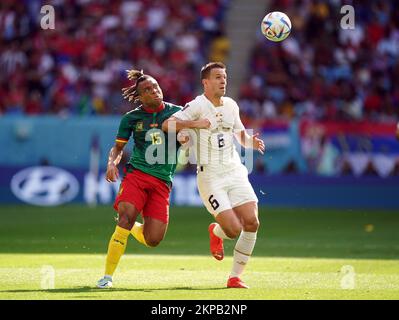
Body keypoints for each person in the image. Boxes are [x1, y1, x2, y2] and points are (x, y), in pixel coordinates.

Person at [97, 69, 209, 288]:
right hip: (137, 175)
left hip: (162, 182)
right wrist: (112, 163)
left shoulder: (178, 113)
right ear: (140, 97)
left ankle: (128, 226)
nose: (154, 91)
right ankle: (107, 277)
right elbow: (118, 148)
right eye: (147, 90)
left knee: (153, 239)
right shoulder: (131, 118)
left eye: (156, 86)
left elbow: (190, 134)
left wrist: (186, 136)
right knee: (125, 218)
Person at [162, 62, 265, 289]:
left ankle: (235, 277)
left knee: (252, 222)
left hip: (234, 170)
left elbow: (240, 135)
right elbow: (168, 124)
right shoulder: (197, 105)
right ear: (205, 82)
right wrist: (194, 123)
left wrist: (251, 142)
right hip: (210, 177)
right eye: (218, 77)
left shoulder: (231, 105)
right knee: (233, 229)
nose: (223, 81)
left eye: (225, 78)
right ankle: (216, 231)